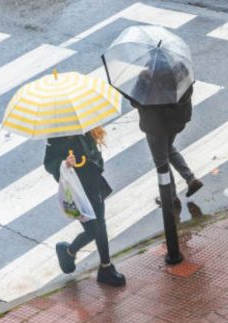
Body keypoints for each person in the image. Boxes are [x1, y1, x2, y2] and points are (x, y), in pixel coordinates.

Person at [43, 127, 126, 287]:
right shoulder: (55, 137)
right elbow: (49, 163)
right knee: (94, 229)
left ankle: (106, 267)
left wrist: (91, 161)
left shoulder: (85, 129)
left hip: (93, 184)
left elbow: (95, 154)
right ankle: (68, 251)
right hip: (76, 190)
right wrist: (65, 164)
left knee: (100, 225)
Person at [130, 57, 202, 210]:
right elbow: (188, 91)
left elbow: (135, 101)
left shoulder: (147, 77)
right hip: (176, 121)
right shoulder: (180, 70)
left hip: (156, 126)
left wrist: (143, 83)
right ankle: (190, 178)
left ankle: (170, 197)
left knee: (161, 161)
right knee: (168, 149)